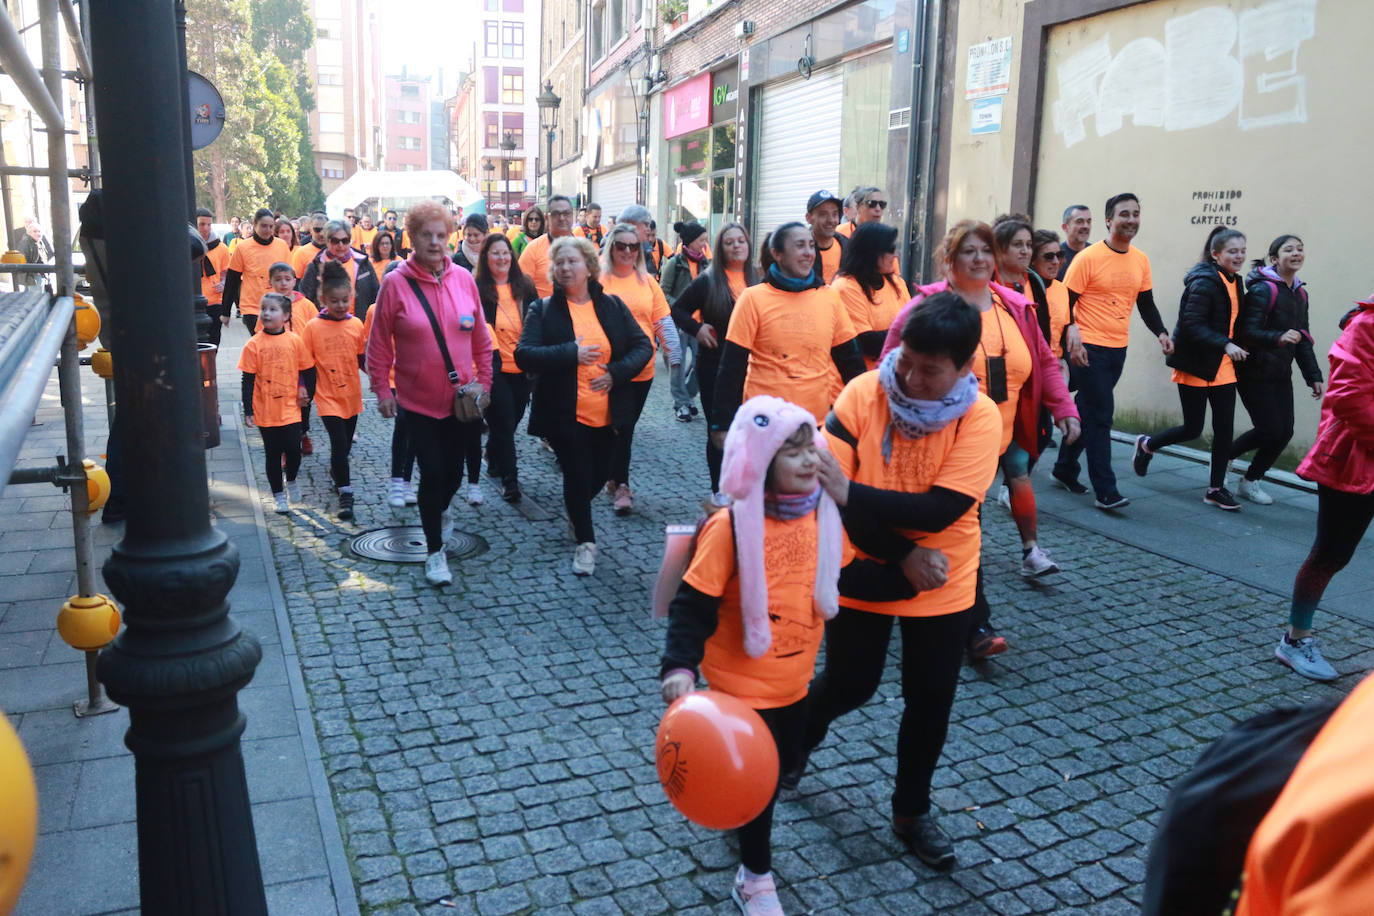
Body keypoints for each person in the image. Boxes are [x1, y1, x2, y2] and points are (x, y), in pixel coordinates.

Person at [797, 293, 1002, 870]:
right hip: (864, 566)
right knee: (849, 683)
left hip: (943, 580)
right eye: (906, 360)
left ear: (964, 368)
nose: (909, 377)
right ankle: (794, 748)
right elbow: (825, 495)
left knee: (930, 699)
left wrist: (850, 491)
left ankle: (912, 811)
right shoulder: (864, 392)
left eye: (930, 370)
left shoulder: (980, 418)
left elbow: (941, 510)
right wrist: (902, 554)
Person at [660, 396, 849, 916]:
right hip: (739, 689)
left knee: (782, 768)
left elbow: (847, 577)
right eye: (792, 454)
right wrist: (679, 666)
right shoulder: (730, 527)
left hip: (795, 681)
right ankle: (755, 878)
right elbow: (692, 604)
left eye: (811, 448)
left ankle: (744, 822)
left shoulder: (825, 517)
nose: (810, 460)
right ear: (762, 465)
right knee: (760, 787)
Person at [881, 220, 1080, 654]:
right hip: (942, 440)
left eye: (985, 251)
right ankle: (976, 626)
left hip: (1000, 435)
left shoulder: (1015, 307)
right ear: (949, 261)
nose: (979, 258)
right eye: (968, 251)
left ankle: (904, 575)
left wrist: (1063, 408)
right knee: (964, 524)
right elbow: (888, 365)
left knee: (950, 524)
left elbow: (1045, 362)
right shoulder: (926, 307)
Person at [366, 200, 493, 587]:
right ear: (413, 237)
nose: (435, 243)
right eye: (427, 235)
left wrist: (485, 384)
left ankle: (438, 511)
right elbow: (379, 343)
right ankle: (435, 551)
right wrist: (381, 389)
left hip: (461, 401)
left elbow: (482, 341)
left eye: (441, 235)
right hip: (417, 401)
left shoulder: (464, 279)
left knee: (454, 474)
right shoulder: (395, 283)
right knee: (432, 472)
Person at [514, 236, 651, 576]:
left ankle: (576, 511)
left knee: (601, 474)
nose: (564, 268)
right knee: (576, 474)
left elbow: (643, 347)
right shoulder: (542, 310)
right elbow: (524, 354)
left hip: (609, 412)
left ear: (590, 267)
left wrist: (616, 373)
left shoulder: (612, 307)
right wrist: (569, 353)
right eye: (558, 263)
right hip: (565, 412)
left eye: (571, 261)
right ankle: (586, 544)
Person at [1274, 292, 1374, 680]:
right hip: (1353, 458)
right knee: (1332, 553)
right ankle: (1295, 638)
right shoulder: (1366, 325)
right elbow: (1349, 397)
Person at [1053, 192, 1172, 509]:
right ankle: (1106, 490)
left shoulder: (1140, 260)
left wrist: (1160, 332)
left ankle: (1064, 466)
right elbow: (1065, 303)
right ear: (1109, 220)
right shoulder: (1088, 259)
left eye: (1135, 214)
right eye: (1124, 214)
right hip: (1088, 349)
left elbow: (1145, 303)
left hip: (1118, 348)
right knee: (1102, 416)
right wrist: (1071, 334)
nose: (1131, 220)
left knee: (1089, 412)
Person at [709, 221, 865, 440]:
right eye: (799, 246)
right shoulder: (753, 298)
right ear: (777, 253)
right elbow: (732, 366)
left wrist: (865, 411)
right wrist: (721, 424)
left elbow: (850, 361)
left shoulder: (829, 297)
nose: (808, 253)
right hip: (764, 424)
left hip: (814, 423)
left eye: (811, 246)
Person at [1132, 228, 1249, 510]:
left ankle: (1215, 488)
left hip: (1223, 365)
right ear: (1216, 254)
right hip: (1196, 362)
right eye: (1232, 251)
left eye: (1242, 251)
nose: (1239, 256)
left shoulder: (1236, 281)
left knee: (1224, 429)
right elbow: (1192, 325)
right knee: (1192, 427)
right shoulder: (1204, 282)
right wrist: (1225, 344)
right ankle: (1147, 444)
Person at [1228, 235, 1324, 504]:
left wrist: (1313, 376)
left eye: (1300, 249)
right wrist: (1278, 337)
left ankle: (1250, 481)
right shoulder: (1263, 289)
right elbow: (1248, 330)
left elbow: (1303, 337)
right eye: (1289, 249)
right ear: (1274, 259)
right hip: (1253, 370)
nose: (1296, 253)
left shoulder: (1300, 293)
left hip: (1281, 372)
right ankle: (1224, 457)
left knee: (1285, 432)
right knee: (1269, 429)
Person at [671, 223, 761, 501]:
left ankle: (746, 488)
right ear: (720, 249)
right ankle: (719, 490)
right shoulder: (709, 280)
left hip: (753, 369)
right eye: (729, 242)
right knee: (720, 430)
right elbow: (677, 310)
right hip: (716, 367)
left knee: (749, 430)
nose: (736, 246)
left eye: (741, 241)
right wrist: (697, 329)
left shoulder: (758, 279)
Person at [598, 224, 681, 514]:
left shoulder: (647, 282)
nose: (628, 251)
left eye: (634, 246)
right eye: (621, 245)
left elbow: (661, 320)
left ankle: (617, 480)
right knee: (612, 426)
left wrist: (675, 355)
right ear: (611, 247)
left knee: (626, 426)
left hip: (641, 369)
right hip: (606, 367)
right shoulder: (599, 279)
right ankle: (616, 479)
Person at [474, 232, 538, 503]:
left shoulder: (525, 285)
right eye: (495, 253)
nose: (502, 258)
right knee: (504, 419)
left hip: (522, 367)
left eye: (505, 253)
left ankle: (492, 453)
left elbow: (536, 322)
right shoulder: (478, 288)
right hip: (493, 366)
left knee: (510, 423)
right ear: (486, 258)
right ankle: (511, 482)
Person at [301, 260, 367, 520]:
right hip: (327, 396)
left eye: (344, 300)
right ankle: (346, 494)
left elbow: (362, 357)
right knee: (339, 442)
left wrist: (378, 375)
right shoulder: (312, 328)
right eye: (334, 301)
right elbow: (304, 363)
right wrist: (302, 389)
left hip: (351, 394)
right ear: (322, 298)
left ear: (352, 297)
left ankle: (337, 473)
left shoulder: (356, 325)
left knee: (345, 446)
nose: (340, 306)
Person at [239, 293, 314, 513]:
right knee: (272, 453)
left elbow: (308, 369)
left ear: (286, 316)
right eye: (264, 309)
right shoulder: (253, 345)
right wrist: (248, 410)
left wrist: (307, 393)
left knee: (293, 449)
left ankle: (291, 480)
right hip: (266, 410)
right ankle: (278, 495)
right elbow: (248, 379)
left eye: (272, 310)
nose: (266, 313)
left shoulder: (294, 340)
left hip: (291, 408)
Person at [831, 222, 911, 370]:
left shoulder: (897, 283)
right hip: (863, 380)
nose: (896, 255)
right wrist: (910, 334)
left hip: (898, 374)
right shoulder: (845, 287)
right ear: (872, 252)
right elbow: (866, 343)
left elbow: (916, 324)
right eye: (891, 249)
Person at [660, 220, 709, 422]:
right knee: (677, 366)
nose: (705, 244)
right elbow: (663, 292)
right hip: (679, 324)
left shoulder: (706, 263)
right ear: (689, 242)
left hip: (701, 326)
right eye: (701, 240)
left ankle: (687, 398)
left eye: (706, 240)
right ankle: (681, 405)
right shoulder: (675, 264)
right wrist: (682, 307)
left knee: (702, 365)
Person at [222, 207, 293, 334]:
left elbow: (290, 277)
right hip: (252, 307)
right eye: (264, 226)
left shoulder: (281, 245)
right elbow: (232, 280)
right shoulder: (243, 248)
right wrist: (225, 312)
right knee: (261, 342)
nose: (268, 230)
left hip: (277, 305)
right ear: (255, 225)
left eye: (271, 227)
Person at [300, 219, 382, 320]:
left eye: (345, 240)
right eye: (335, 241)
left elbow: (376, 295)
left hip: (359, 326)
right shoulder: (316, 266)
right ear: (327, 240)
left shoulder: (363, 263)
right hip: (326, 326)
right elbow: (305, 300)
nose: (341, 245)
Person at [518, 194, 576, 298]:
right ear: (547, 217)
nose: (562, 218)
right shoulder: (533, 249)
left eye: (566, 213)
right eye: (556, 214)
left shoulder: (584, 250)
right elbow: (520, 288)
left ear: (572, 215)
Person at [196, 207, 232, 347]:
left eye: (209, 224)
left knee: (214, 340)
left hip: (215, 301)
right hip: (195, 301)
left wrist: (223, 284)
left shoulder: (221, 248)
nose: (206, 228)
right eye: (202, 224)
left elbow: (225, 272)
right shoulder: (187, 246)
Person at [804, 190, 846, 283]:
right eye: (823, 214)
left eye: (834, 214)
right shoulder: (799, 252)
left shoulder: (847, 247)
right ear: (809, 218)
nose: (831, 220)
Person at [1058, 204, 1092, 279]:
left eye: (1088, 222)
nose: (1086, 226)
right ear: (1065, 227)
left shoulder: (1096, 254)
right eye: (1079, 222)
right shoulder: (1056, 256)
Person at [292, 212, 328, 279]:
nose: (321, 233)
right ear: (311, 230)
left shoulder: (336, 251)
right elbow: (295, 281)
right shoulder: (301, 253)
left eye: (324, 229)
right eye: (317, 230)